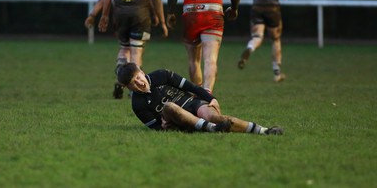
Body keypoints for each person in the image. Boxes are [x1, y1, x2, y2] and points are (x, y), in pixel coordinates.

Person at [116, 62, 284, 135]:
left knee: (215, 117)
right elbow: (156, 128)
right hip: (178, 120)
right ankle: (212, 129)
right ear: (128, 88)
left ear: (141, 71)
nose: (139, 82)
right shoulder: (137, 105)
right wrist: (165, 126)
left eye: (138, 77)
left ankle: (264, 131)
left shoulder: (162, 74)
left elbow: (191, 87)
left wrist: (212, 98)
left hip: (193, 104)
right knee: (169, 107)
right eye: (133, 83)